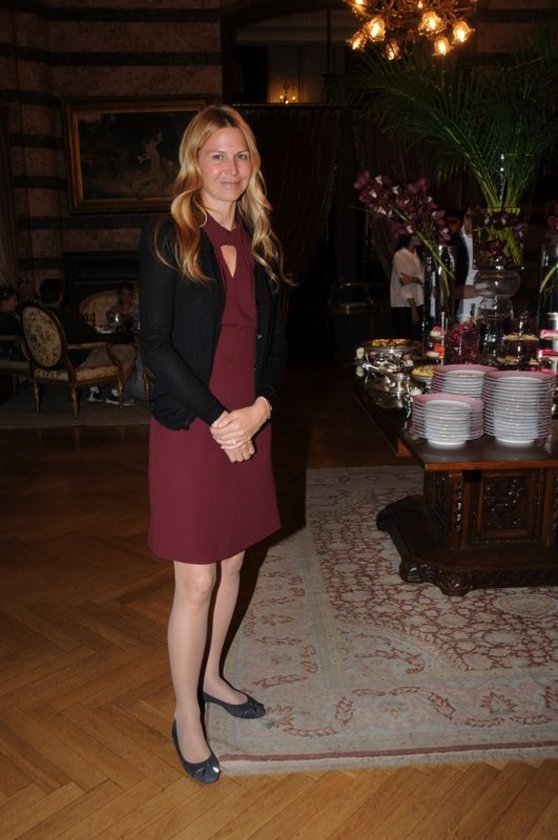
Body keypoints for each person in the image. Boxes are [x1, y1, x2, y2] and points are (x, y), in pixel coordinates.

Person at [139, 104, 289, 785]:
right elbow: (156, 345)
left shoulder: (261, 241)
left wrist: (259, 409)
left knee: (232, 565)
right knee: (196, 579)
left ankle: (211, 677)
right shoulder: (170, 236)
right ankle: (186, 714)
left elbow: (277, 344)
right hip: (192, 424)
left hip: (248, 418)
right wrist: (219, 419)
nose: (231, 168)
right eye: (217, 155)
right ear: (194, 163)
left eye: (241, 155)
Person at [38, 278, 137, 405]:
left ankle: (95, 391)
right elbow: (90, 336)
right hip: (73, 362)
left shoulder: (35, 315)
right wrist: (85, 325)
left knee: (98, 349)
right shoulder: (65, 315)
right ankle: (115, 394)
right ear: (60, 296)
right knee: (130, 351)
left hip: (45, 362)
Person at [447, 207, 483, 321]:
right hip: (463, 310)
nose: (472, 221)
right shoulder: (454, 241)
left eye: (476, 218)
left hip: (486, 309)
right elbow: (452, 289)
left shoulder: (488, 241)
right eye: (468, 217)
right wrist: (485, 289)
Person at [390, 233, 424, 340]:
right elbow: (405, 283)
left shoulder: (417, 255)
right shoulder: (400, 255)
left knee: (417, 339)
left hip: (419, 301)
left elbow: (422, 279)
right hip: (403, 304)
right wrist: (413, 308)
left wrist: (413, 279)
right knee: (405, 339)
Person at [0, 286, 25, 359]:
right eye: (14, 300)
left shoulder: (11, 316)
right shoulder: (7, 319)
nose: (17, 303)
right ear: (4, 302)